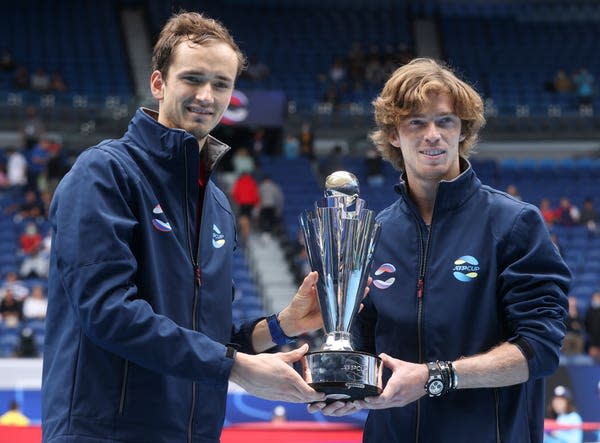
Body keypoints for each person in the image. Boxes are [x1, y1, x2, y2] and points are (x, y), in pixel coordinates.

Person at [42, 12, 325, 443]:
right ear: (159, 83)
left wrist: (283, 324)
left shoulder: (215, 203)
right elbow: (107, 312)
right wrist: (236, 367)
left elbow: (209, 339)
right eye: (192, 79)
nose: (206, 96)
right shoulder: (103, 173)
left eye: (221, 84)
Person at [309, 58, 571, 442]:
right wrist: (346, 387)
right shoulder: (373, 233)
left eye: (445, 121)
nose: (432, 134)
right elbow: (364, 349)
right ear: (393, 134)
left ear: (462, 131)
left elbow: (540, 349)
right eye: (416, 121)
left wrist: (436, 377)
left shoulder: (514, 223)